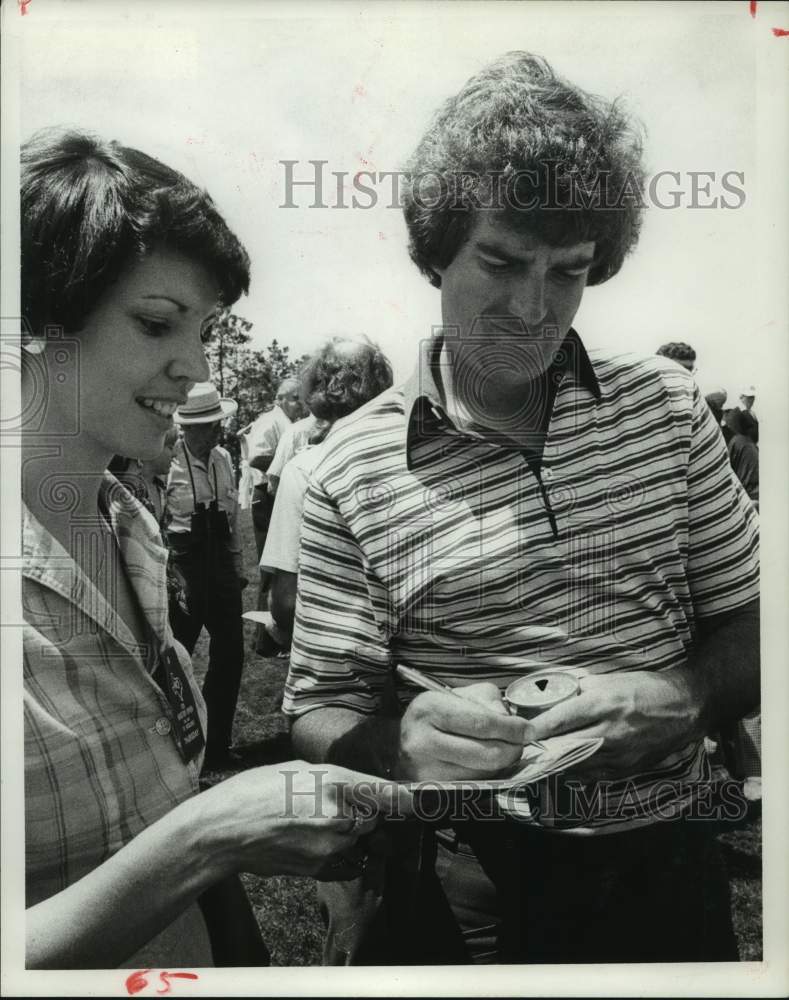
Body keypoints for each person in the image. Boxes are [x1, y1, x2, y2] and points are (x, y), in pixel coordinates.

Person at [283, 52, 760, 964]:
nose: (531, 309)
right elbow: (317, 709)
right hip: (471, 884)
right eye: (499, 262)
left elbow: (753, 623)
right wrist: (398, 743)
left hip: (670, 867)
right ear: (434, 250)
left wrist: (687, 696)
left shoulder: (663, 407)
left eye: (568, 272)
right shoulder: (351, 464)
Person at [20, 127, 401, 969]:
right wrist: (209, 836)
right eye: (158, 323)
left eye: (205, 330)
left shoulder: (130, 528)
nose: (194, 369)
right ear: (36, 319)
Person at [260, 336, 393, 637]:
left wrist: (278, 626)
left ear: (319, 392)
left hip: (334, 654)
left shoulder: (303, 469)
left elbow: (286, 602)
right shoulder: (407, 461)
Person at [166, 382, 248, 769]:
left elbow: (231, 522)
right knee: (176, 657)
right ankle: (177, 747)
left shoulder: (223, 459)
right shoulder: (167, 461)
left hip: (220, 569)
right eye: (211, 424)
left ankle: (218, 743)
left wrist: (237, 571)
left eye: (219, 423)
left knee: (230, 654)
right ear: (189, 426)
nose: (219, 430)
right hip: (183, 568)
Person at [238, 378, 303, 653]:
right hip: (266, 496)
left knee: (282, 566)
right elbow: (256, 457)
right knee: (271, 567)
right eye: (294, 398)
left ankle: (277, 635)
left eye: (300, 398)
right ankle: (264, 640)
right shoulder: (271, 421)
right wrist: (286, 460)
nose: (299, 404)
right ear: (280, 399)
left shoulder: (288, 423)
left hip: (278, 495)